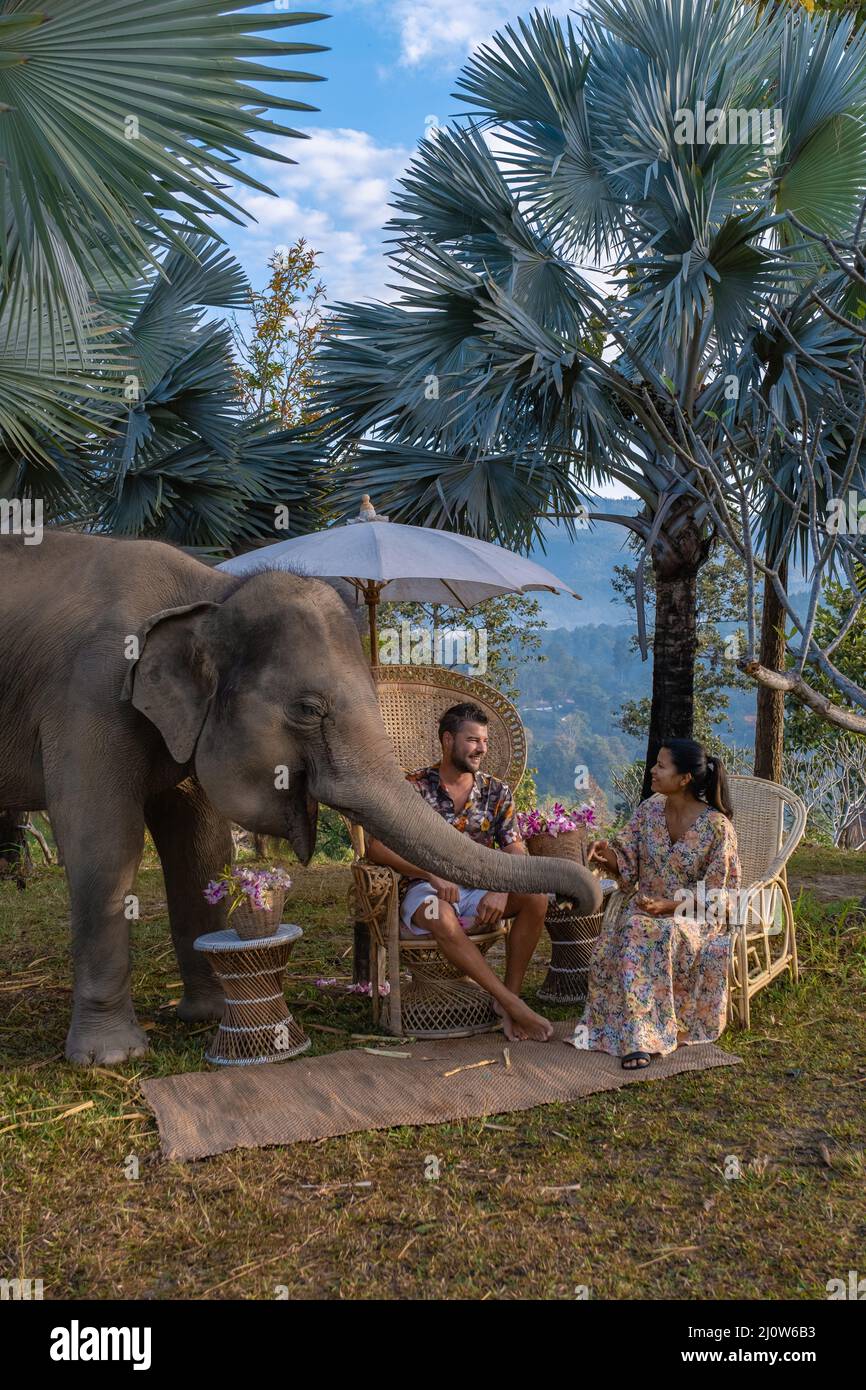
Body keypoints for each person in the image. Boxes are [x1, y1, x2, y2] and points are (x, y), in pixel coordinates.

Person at [365, 702, 553, 1042]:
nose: (481, 748)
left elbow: (514, 848)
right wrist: (430, 874)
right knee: (442, 917)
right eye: (472, 740)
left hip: (480, 886)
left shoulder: (497, 791)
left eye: (484, 741)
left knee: (536, 899)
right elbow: (376, 847)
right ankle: (513, 1004)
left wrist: (501, 887)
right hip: (426, 888)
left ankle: (504, 999)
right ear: (448, 740)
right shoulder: (413, 789)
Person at [583, 740, 740, 1070]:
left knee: (643, 929)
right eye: (655, 764)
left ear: (684, 778)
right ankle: (633, 1027)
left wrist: (670, 906)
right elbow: (625, 860)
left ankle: (640, 1037)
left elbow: (720, 897)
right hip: (646, 908)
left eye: (661, 766)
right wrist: (604, 853)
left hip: (694, 916)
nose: (653, 770)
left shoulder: (716, 828)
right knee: (632, 927)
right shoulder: (649, 811)